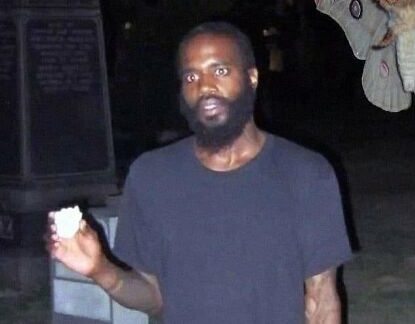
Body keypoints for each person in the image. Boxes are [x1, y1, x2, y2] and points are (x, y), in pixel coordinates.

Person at [48, 21, 352, 323]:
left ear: (252, 77)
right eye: (191, 76)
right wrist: (100, 269)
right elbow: (155, 297)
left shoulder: (305, 174)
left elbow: (322, 301)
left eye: (220, 71)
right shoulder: (152, 178)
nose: (205, 87)